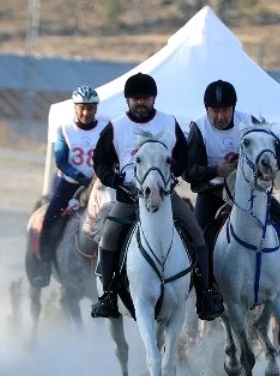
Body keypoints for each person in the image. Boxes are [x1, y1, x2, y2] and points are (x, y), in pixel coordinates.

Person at [90, 72, 224, 321]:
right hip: (128, 198)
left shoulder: (168, 123)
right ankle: (108, 296)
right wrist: (116, 180)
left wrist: (172, 175)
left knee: (196, 233)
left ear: (154, 99)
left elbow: (183, 157)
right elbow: (100, 161)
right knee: (108, 239)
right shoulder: (115, 127)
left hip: (164, 196)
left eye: (146, 98)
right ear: (127, 100)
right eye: (136, 98)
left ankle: (205, 293)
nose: (141, 102)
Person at [184, 79, 280, 304]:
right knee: (199, 236)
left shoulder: (250, 122)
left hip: (251, 194)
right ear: (207, 110)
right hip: (213, 193)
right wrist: (217, 169)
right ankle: (204, 292)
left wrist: (266, 165)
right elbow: (189, 171)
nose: (220, 117)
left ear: (234, 109)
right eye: (215, 111)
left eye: (225, 111)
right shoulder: (198, 128)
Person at [33, 85, 108, 286]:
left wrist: (99, 175)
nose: (86, 112)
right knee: (49, 220)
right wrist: (79, 176)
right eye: (82, 108)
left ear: (96, 109)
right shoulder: (64, 130)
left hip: (99, 185)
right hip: (70, 184)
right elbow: (61, 160)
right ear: (75, 108)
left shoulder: (105, 129)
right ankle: (44, 267)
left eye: (90, 108)